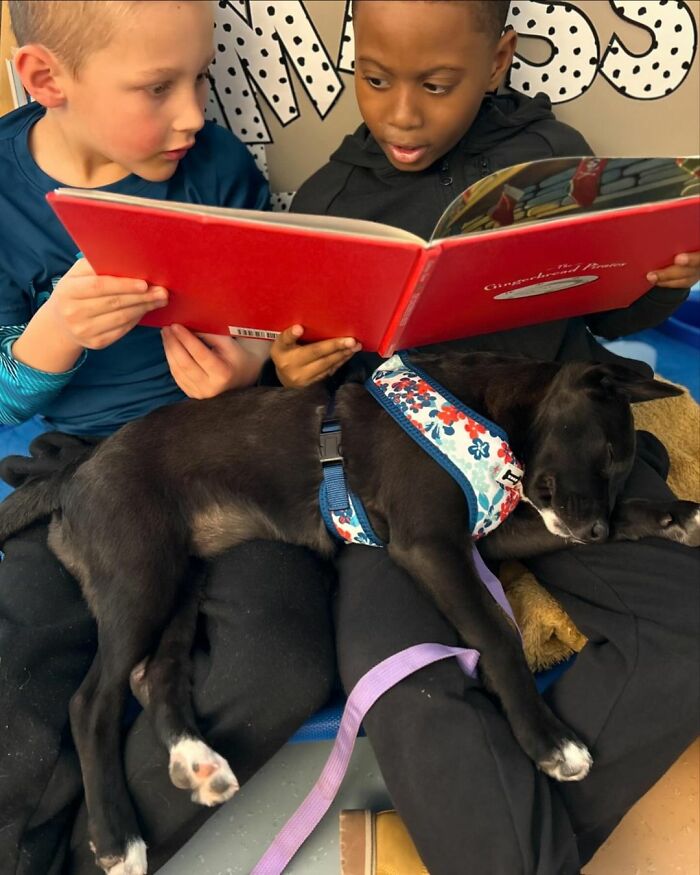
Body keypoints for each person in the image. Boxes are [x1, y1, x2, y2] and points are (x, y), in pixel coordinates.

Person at [267, 2, 700, 873]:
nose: (399, 113)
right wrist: (291, 369)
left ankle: (487, 838)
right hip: (398, 483)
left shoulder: (548, 161)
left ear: (499, 57)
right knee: (404, 689)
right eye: (376, 78)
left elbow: (611, 301)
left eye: (435, 84)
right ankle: (495, 841)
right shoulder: (329, 199)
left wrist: (661, 279)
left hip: (558, 443)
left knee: (690, 621)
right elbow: (304, 363)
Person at [0, 3, 335, 873]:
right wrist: (52, 336)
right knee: (18, 661)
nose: (194, 112)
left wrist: (246, 367)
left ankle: (99, 846)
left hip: (227, 454)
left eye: (201, 77)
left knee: (281, 659)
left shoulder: (215, 167)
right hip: (85, 470)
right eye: (159, 88)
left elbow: (271, 319)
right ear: (46, 81)